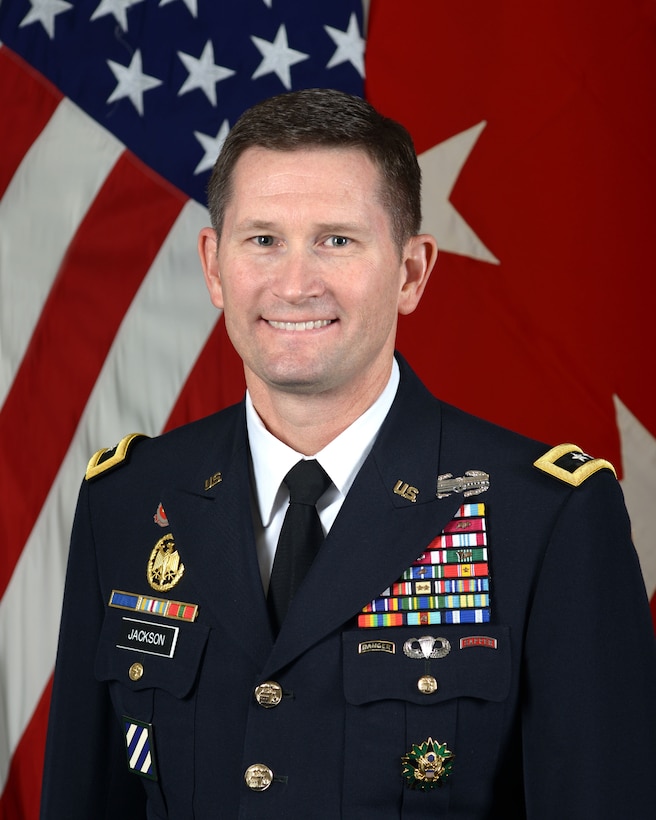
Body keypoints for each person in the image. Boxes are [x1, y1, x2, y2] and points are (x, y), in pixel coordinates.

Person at [40, 88, 656, 819]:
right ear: (214, 266)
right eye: (263, 239)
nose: (295, 284)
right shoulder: (130, 500)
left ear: (411, 272)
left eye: (336, 239)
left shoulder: (546, 519)